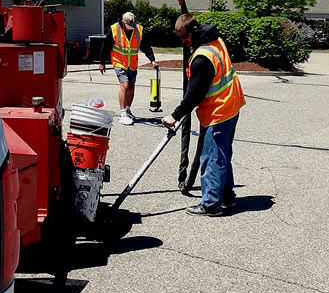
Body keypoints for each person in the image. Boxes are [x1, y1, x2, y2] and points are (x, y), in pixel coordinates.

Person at [162, 14, 245, 217]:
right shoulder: (215, 40)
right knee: (222, 153)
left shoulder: (202, 58)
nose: (183, 42)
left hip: (220, 109)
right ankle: (226, 196)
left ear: (194, 31)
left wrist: (174, 115)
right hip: (231, 104)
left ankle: (211, 204)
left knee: (211, 156)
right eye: (180, 38)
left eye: (184, 37)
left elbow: (194, 95)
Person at [99, 12, 158, 125]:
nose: (131, 28)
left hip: (132, 64)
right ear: (123, 22)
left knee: (131, 86)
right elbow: (106, 46)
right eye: (129, 26)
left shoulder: (139, 30)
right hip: (119, 62)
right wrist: (102, 63)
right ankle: (122, 113)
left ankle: (127, 109)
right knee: (125, 85)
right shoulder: (114, 29)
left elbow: (146, 46)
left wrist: (153, 60)